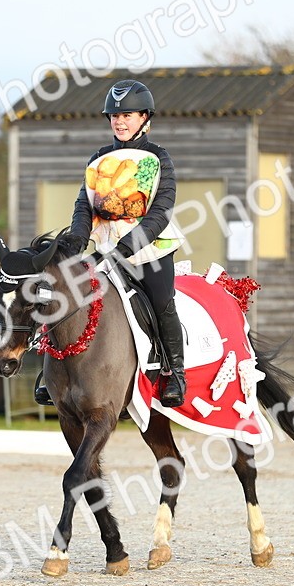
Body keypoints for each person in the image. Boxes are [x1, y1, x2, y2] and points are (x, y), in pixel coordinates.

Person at [35, 79, 187, 407]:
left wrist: (127, 248)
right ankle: (51, 373)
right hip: (104, 251)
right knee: (64, 294)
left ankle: (175, 371)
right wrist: (75, 244)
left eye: (128, 115)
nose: (119, 121)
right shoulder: (99, 159)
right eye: (115, 116)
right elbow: (84, 207)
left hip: (150, 252)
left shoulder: (158, 158)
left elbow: (160, 212)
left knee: (162, 303)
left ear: (145, 118)